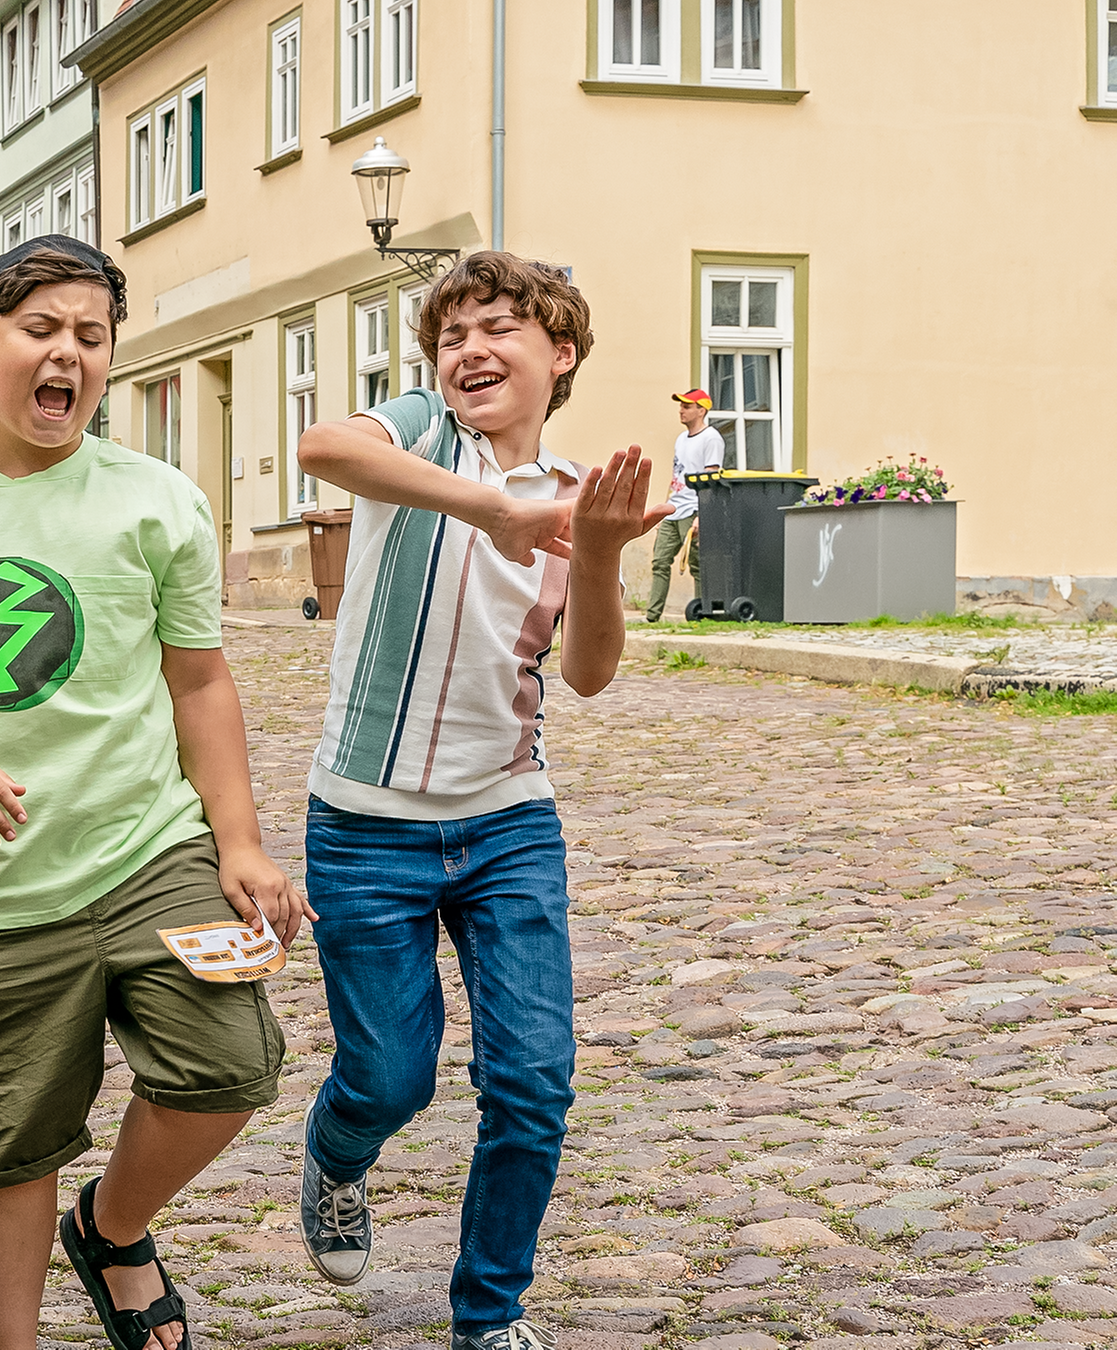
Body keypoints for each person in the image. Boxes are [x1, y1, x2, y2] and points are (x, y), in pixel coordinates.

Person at [0, 235, 304, 1350]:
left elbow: (199, 682)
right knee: (6, 1148)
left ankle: (111, 1228)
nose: (68, 354)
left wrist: (240, 843)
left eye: (91, 336)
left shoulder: (159, 501)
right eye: (41, 330)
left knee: (229, 1067)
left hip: (152, 847)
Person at [290, 253, 668, 1350]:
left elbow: (588, 671)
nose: (469, 350)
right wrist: (493, 508)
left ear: (561, 353)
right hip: (365, 825)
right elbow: (324, 448)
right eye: (451, 335)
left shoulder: (580, 488)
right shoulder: (419, 433)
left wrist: (594, 553)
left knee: (535, 1079)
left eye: (498, 327)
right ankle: (338, 1151)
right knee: (389, 1077)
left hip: (509, 821)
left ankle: (489, 1315)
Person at [643, 388, 725, 622]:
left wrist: (703, 514)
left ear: (701, 410)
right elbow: (675, 476)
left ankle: (704, 613)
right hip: (674, 509)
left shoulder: (711, 438)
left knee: (697, 564)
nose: (681, 410)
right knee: (660, 561)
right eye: (681, 406)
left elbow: (711, 479)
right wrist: (664, 510)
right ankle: (652, 616)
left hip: (694, 508)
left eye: (687, 406)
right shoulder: (681, 439)